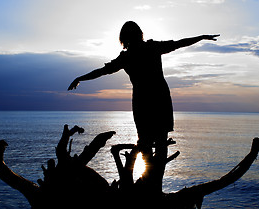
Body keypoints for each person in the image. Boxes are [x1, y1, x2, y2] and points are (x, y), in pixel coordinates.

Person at [68, 21, 219, 159]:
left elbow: (101, 71)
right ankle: (152, 180)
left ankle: (150, 180)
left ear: (123, 38)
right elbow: (178, 43)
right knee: (157, 140)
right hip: (157, 98)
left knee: (148, 140)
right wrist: (202, 37)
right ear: (139, 34)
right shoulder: (147, 49)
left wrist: (79, 78)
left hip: (146, 100)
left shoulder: (135, 54)